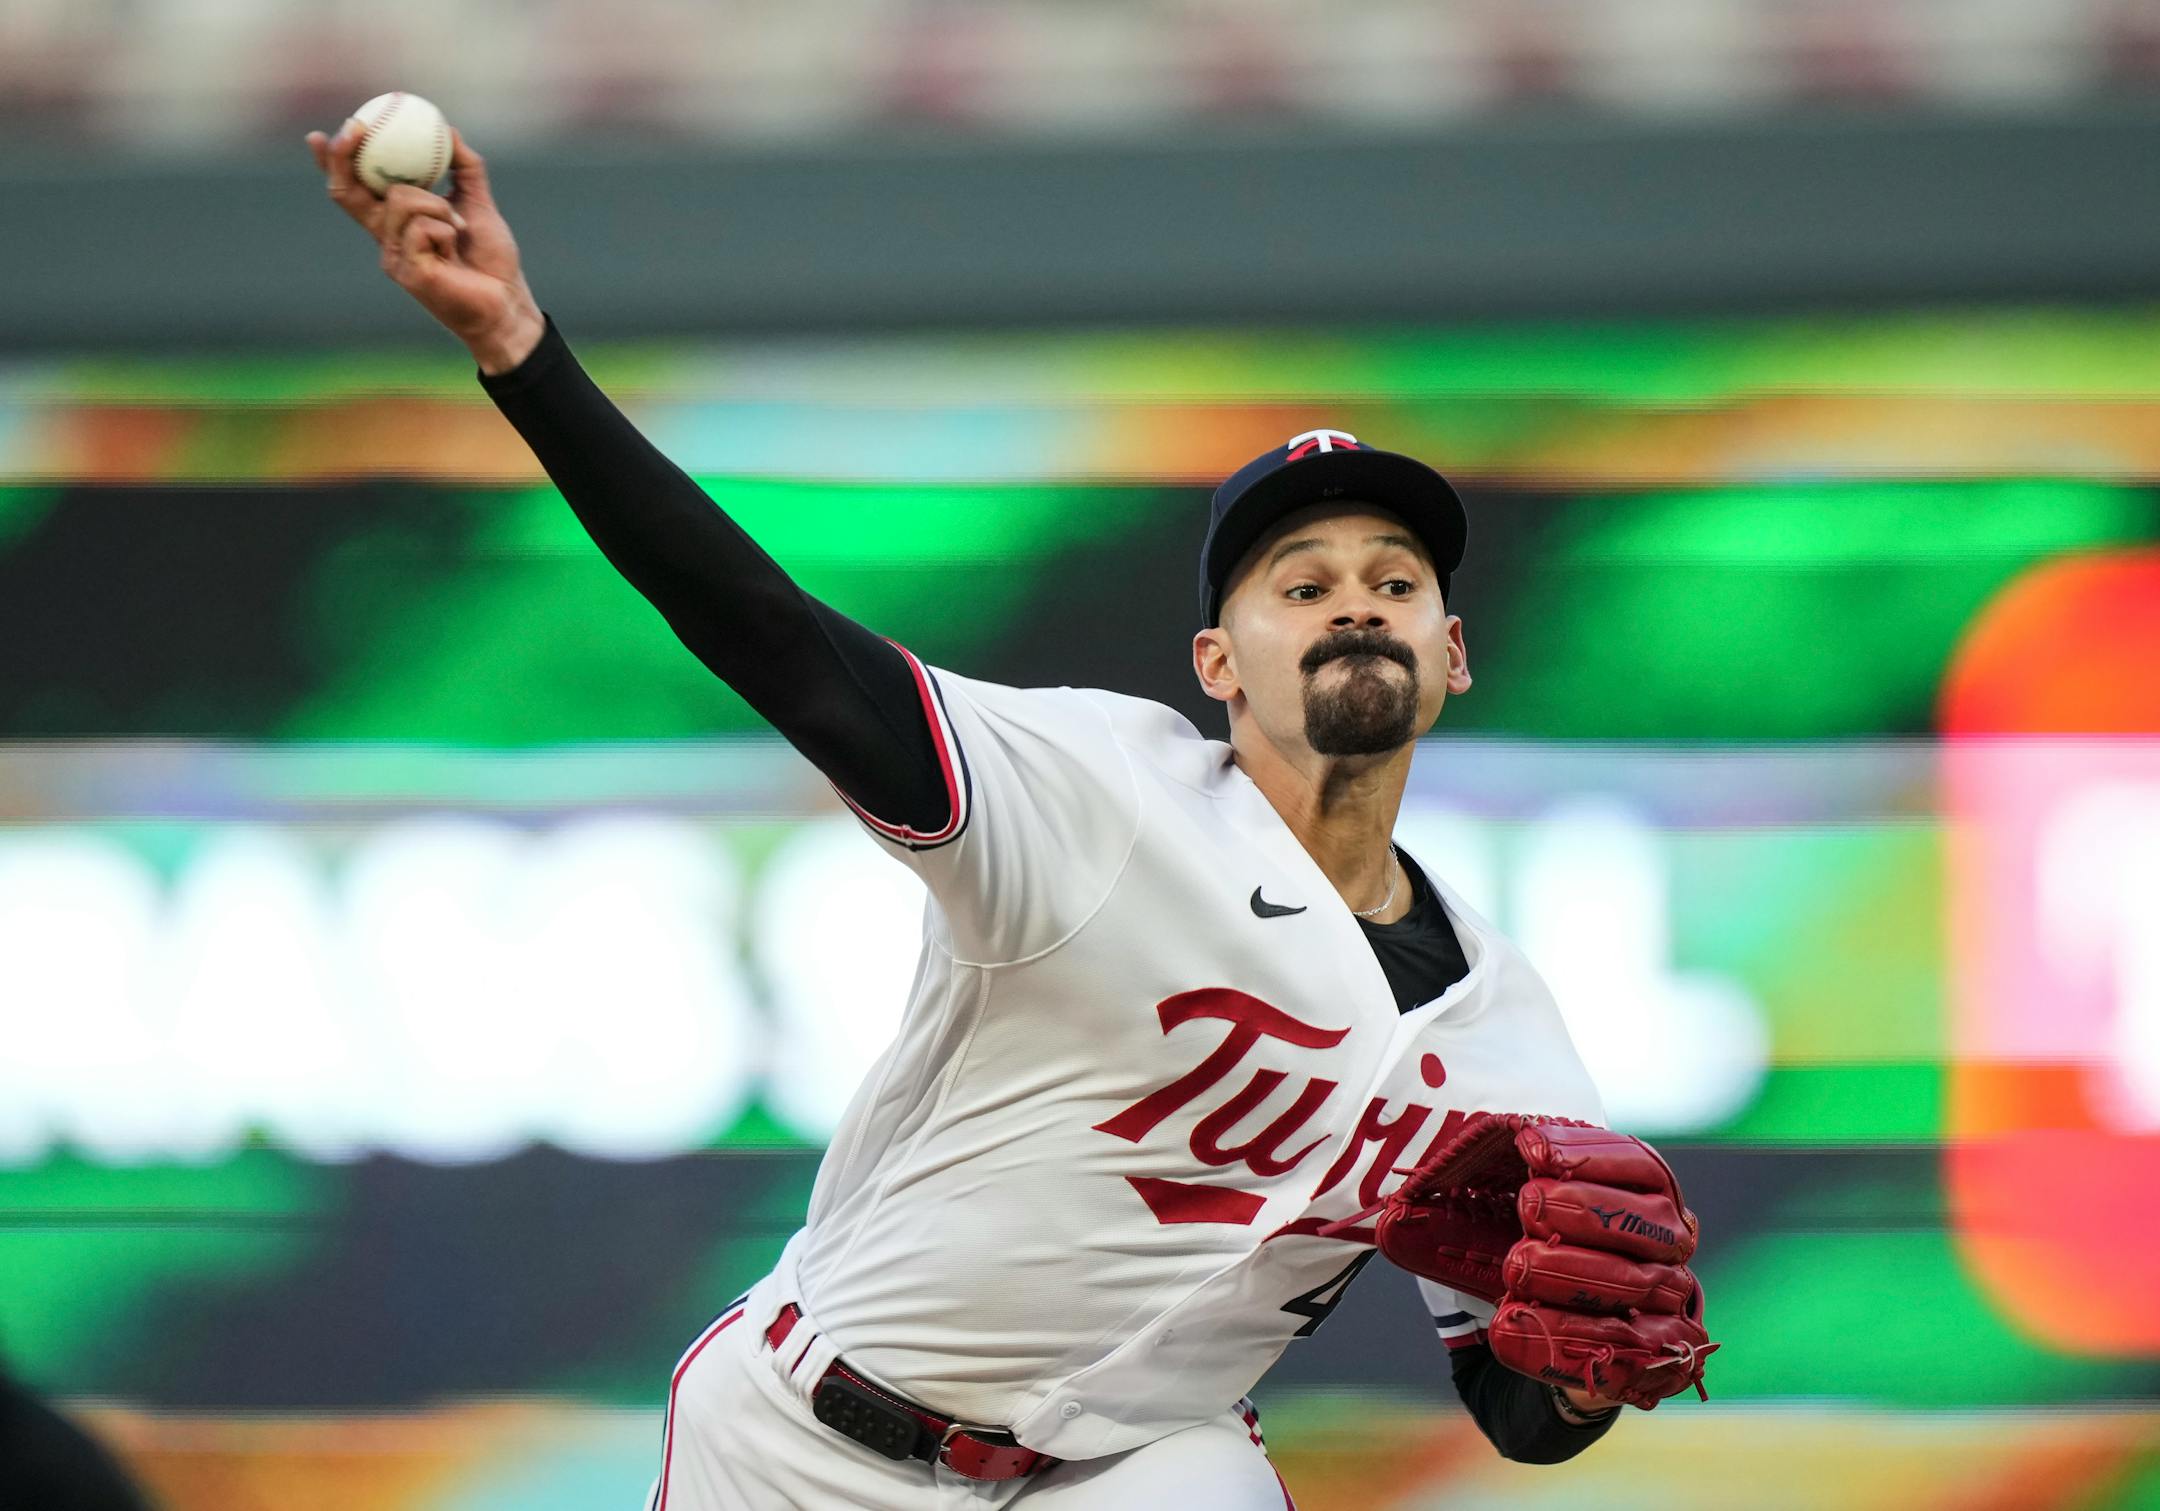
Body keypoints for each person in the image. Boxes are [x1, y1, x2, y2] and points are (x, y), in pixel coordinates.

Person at [306, 118, 1695, 1509]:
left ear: (1451, 654)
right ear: (1218, 666)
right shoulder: (1096, 795)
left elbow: (1514, 1401)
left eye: (1395, 582)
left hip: (1129, 1466)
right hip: (808, 1442)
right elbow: (778, 641)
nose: (1354, 602)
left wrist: (1573, 1382)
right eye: (1300, 580)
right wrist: (524, 358)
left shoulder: (1509, 1035)